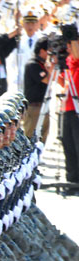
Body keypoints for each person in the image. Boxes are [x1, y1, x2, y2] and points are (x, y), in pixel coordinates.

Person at [22, 36, 53, 141]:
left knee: (43, 137)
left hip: (44, 106)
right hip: (33, 107)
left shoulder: (44, 65)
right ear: (42, 51)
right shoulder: (33, 64)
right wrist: (52, 64)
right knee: (30, 137)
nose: (51, 54)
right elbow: (47, 79)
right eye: (49, 52)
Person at [59, 33, 79, 193]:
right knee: (68, 145)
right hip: (67, 107)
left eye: (70, 45)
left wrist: (72, 37)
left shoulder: (77, 59)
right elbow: (63, 82)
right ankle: (72, 180)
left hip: (77, 109)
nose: (67, 48)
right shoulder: (68, 61)